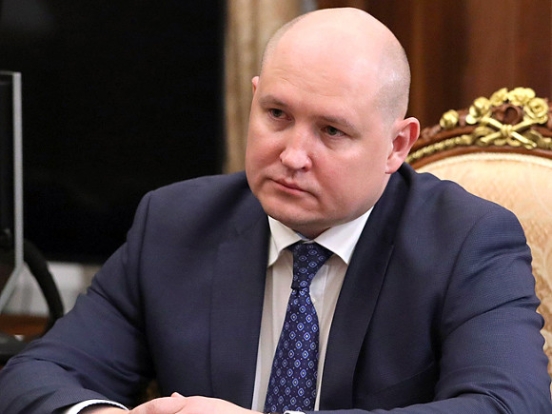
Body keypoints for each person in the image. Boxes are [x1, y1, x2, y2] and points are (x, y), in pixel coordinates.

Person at [0, 7, 550, 414]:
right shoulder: (174, 223)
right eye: (277, 114)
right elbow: (37, 373)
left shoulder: (467, 240)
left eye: (331, 130)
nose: (291, 155)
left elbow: (508, 405)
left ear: (396, 145)